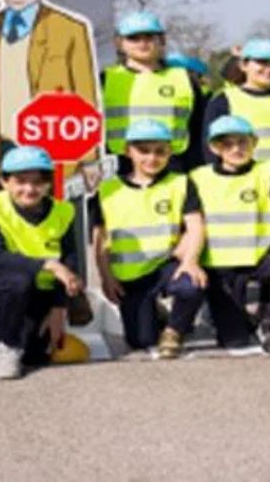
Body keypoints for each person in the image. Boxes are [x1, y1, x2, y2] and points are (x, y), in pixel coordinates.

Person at [0, 0, 100, 191]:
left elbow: (86, 95)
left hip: (52, 144)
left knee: (56, 217)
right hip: (5, 145)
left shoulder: (70, 28)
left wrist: (90, 156)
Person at [92, 119, 207, 360]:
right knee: (141, 340)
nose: (152, 158)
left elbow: (195, 225)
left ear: (169, 152)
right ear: (128, 151)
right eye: (143, 151)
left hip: (166, 264)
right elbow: (100, 239)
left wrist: (191, 261)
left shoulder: (180, 182)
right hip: (130, 276)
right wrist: (106, 277)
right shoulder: (107, 189)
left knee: (192, 284)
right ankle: (156, 313)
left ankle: (174, 330)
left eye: (160, 151)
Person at [0, 146, 85, 380]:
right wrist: (51, 265)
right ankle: (6, 347)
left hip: (42, 288)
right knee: (18, 280)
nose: (29, 189)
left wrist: (58, 308)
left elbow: (69, 259)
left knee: (36, 354)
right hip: (6, 281)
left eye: (38, 182)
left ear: (48, 183)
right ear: (5, 182)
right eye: (20, 181)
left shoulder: (63, 210)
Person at [189, 116, 270, 356]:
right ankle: (242, 320)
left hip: (259, 256)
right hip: (219, 264)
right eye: (227, 144)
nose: (236, 149)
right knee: (235, 341)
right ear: (214, 147)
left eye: (243, 142)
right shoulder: (198, 178)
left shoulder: (269, 171)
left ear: (254, 143)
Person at [102, 11, 207, 174]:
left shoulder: (184, 79)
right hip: (119, 169)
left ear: (162, 40)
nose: (142, 43)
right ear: (119, 42)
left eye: (149, 37)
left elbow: (200, 129)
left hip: (175, 168)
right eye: (134, 38)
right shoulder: (105, 80)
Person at [202, 38, 270, 164]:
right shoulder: (225, 99)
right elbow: (211, 147)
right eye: (262, 62)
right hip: (245, 179)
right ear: (244, 65)